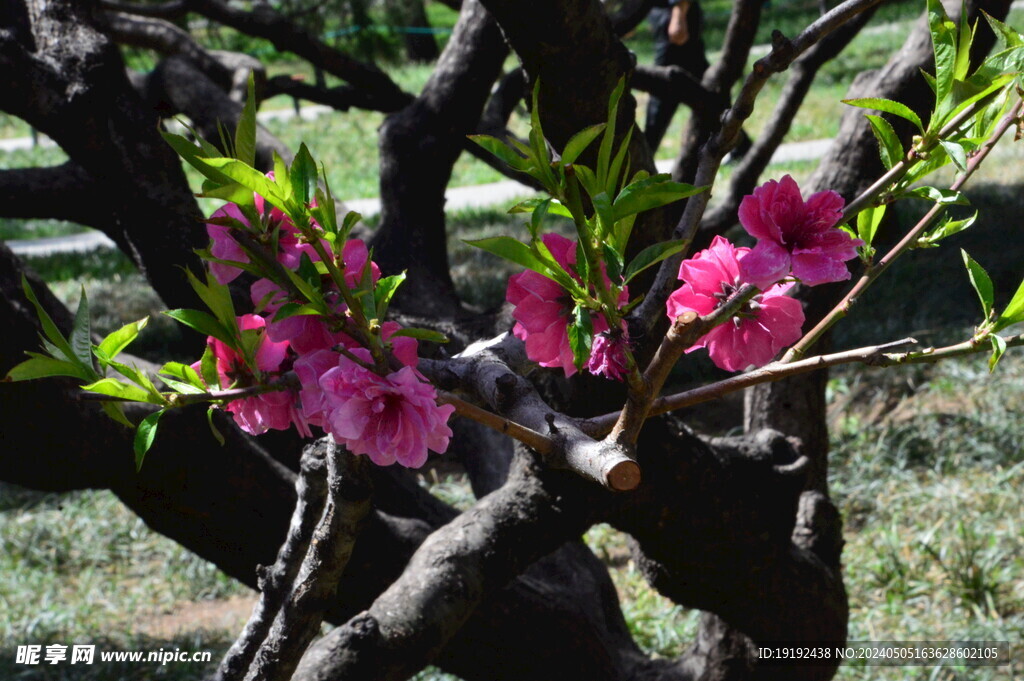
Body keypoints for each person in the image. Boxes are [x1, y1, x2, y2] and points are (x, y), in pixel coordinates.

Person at [644, 0, 710, 152]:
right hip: (667, 14)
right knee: (703, 84)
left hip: (675, 16)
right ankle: (739, 141)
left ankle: (644, 156)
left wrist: (678, 12)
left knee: (661, 91)